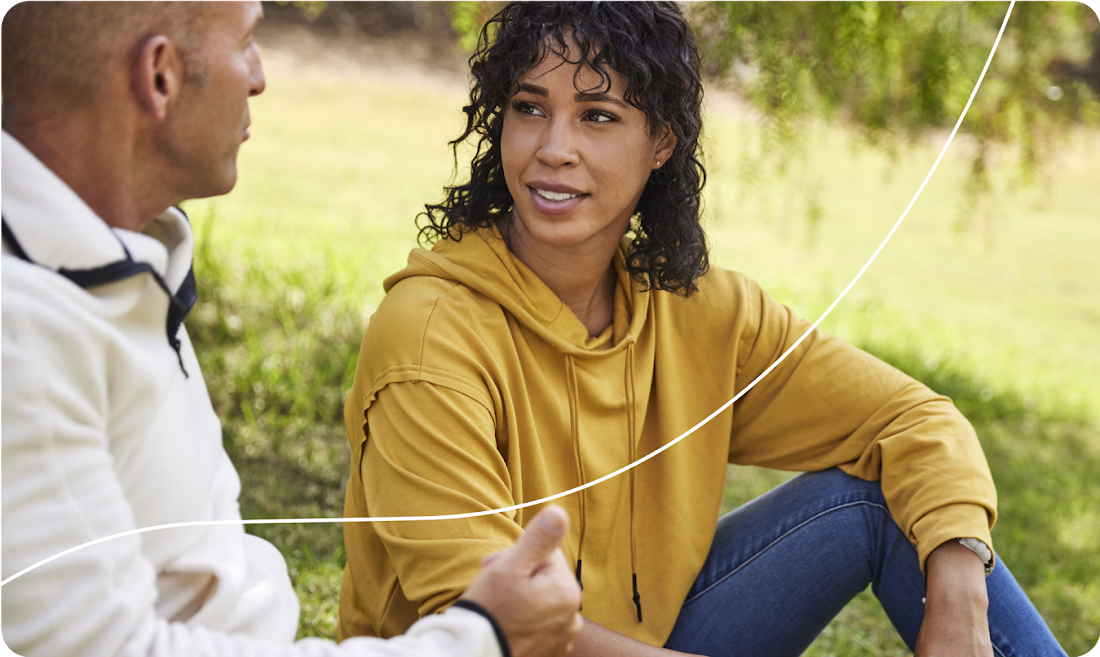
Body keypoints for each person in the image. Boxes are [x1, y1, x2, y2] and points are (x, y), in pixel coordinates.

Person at [337, 1, 1068, 655]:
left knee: (883, 506)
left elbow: (914, 420)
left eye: (598, 115)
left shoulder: (698, 310)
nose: (553, 147)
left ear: (661, 141)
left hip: (645, 640)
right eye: (530, 107)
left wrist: (960, 585)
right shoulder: (427, 335)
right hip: (488, 649)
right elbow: (487, 624)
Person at [0, 1, 583, 656]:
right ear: (160, 76)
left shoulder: (114, 255)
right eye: (245, 43)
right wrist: (482, 636)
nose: (259, 77)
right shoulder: (25, 333)